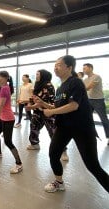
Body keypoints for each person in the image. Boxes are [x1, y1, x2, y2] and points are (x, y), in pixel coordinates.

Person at [38, 55, 109, 193]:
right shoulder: (60, 88)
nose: (55, 67)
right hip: (64, 127)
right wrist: (44, 104)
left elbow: (73, 106)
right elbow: (57, 107)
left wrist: (51, 112)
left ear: (69, 67)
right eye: (55, 64)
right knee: (53, 153)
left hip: (82, 128)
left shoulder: (76, 82)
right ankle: (59, 182)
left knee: (92, 165)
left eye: (59, 64)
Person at [0, 71, 23, 174]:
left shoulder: (5, 89)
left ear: (6, 78)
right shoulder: (3, 88)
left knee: (8, 141)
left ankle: (19, 163)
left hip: (8, 119)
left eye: (0, 78)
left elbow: (2, 105)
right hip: (4, 118)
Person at [83, 63, 109, 145]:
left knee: (104, 119)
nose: (84, 70)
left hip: (98, 100)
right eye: (83, 69)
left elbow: (88, 87)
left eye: (85, 68)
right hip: (89, 100)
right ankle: (89, 135)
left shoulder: (97, 77)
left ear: (90, 68)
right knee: (87, 118)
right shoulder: (85, 80)